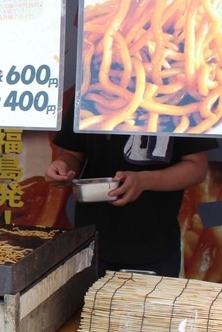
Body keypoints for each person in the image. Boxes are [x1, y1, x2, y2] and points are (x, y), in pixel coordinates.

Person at [45, 102, 218, 278]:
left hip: (155, 241)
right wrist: (63, 166)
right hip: (90, 239)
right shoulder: (89, 89)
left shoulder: (184, 98)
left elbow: (196, 168)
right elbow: (73, 154)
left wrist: (144, 181)